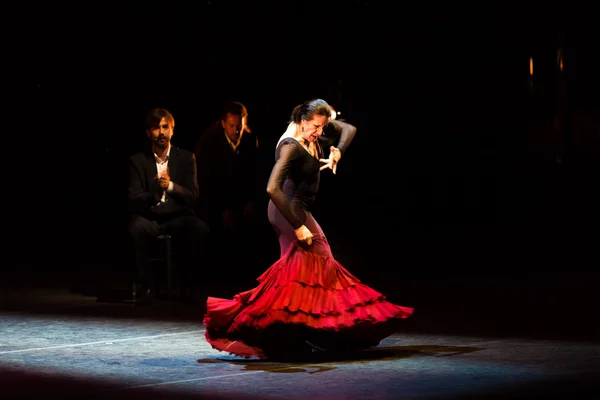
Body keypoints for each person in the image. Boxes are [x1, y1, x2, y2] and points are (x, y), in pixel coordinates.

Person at [203, 99, 414, 359]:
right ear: (302, 121)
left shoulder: (310, 132)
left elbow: (349, 130)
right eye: (316, 126)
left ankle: (293, 334)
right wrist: (298, 225)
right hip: (288, 212)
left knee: (297, 276)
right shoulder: (291, 147)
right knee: (323, 264)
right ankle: (300, 332)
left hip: (298, 211)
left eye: (323, 127)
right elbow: (272, 188)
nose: (319, 132)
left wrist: (337, 150)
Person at [128, 108, 210, 305]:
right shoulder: (138, 160)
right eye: (156, 128)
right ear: (148, 132)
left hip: (177, 216)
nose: (162, 132)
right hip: (152, 217)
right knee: (135, 228)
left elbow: (193, 195)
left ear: (172, 131)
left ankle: (188, 286)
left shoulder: (186, 158)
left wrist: (171, 186)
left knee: (200, 229)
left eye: (165, 127)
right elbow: (133, 197)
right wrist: (154, 193)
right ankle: (147, 287)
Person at [194, 101, 265, 278]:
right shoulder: (209, 142)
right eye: (232, 126)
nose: (236, 130)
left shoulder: (250, 141)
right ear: (223, 124)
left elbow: (255, 175)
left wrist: (251, 201)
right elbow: (206, 181)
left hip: (241, 199)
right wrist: (224, 208)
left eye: (239, 126)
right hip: (215, 200)